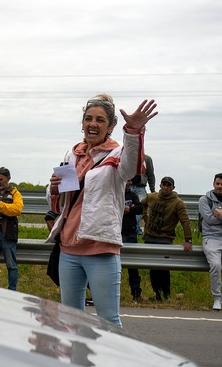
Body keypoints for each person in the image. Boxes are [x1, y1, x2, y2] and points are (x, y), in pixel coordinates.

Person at [47, 94, 158, 327]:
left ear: (111, 126)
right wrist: (54, 189)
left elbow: (131, 169)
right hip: (68, 247)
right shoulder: (73, 153)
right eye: (88, 119)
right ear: (82, 123)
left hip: (101, 248)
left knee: (108, 320)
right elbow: (61, 204)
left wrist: (133, 132)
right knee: (70, 319)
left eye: (99, 120)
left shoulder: (116, 154)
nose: (92, 124)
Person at [141, 176, 193, 301]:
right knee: (153, 269)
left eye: (168, 185)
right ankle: (157, 295)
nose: (166, 187)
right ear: (160, 185)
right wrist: (145, 216)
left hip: (165, 239)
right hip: (150, 237)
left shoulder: (177, 203)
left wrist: (188, 240)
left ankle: (166, 295)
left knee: (163, 269)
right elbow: (142, 203)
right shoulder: (153, 197)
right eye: (164, 184)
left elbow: (185, 221)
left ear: (173, 187)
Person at [199, 173, 222, 311]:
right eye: (218, 183)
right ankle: (217, 298)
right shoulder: (204, 200)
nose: (220, 186)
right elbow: (209, 220)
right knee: (216, 265)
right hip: (211, 238)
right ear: (213, 184)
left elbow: (216, 218)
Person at [122, 178, 144, 302]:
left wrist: (129, 209)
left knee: (133, 268)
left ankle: (136, 294)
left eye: (130, 181)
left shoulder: (133, 195)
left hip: (130, 234)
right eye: (127, 180)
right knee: (113, 268)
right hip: (116, 235)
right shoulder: (114, 193)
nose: (129, 183)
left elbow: (140, 209)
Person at [131, 154, 155, 234]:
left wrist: (153, 191)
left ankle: (135, 227)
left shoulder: (147, 159)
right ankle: (134, 228)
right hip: (127, 186)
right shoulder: (126, 156)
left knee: (140, 207)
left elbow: (150, 174)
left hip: (140, 187)